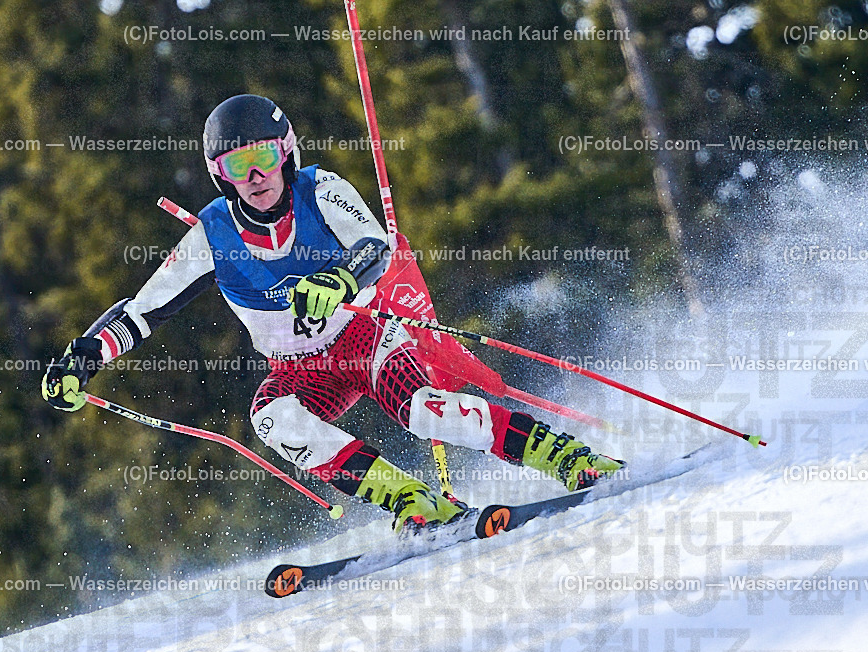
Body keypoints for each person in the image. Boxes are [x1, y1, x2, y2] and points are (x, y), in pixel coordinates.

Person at [42, 94, 623, 532]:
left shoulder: (322, 190)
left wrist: (339, 277)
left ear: (286, 152)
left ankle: (567, 456)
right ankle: (413, 501)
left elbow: (376, 248)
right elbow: (144, 311)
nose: (257, 177)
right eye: (238, 166)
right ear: (219, 173)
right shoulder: (211, 233)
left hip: (367, 340)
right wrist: (83, 359)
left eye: (265, 157)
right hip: (299, 371)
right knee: (272, 420)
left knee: (423, 412)